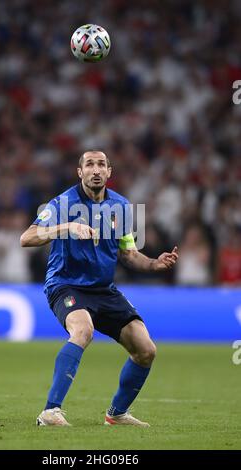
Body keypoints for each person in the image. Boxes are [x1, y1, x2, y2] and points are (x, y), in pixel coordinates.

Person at [20, 150, 178, 426]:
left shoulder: (121, 207)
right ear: (79, 172)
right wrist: (66, 227)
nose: (96, 169)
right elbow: (27, 237)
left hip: (104, 290)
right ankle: (50, 411)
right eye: (89, 164)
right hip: (66, 284)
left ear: (109, 172)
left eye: (101, 165)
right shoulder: (61, 204)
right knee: (83, 330)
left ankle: (116, 414)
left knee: (146, 349)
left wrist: (155, 264)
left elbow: (128, 254)